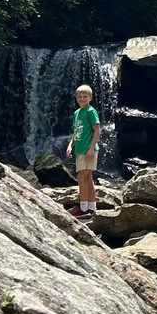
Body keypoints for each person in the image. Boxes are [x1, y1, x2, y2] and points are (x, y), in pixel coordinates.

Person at [66, 84, 100, 220]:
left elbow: (97, 130)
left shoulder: (91, 111)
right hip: (80, 149)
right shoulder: (77, 113)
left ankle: (83, 209)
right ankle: (91, 207)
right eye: (79, 96)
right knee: (88, 178)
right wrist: (70, 145)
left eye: (85, 96)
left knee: (82, 178)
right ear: (76, 98)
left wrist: (91, 148)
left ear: (90, 97)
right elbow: (76, 132)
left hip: (88, 150)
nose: (82, 99)